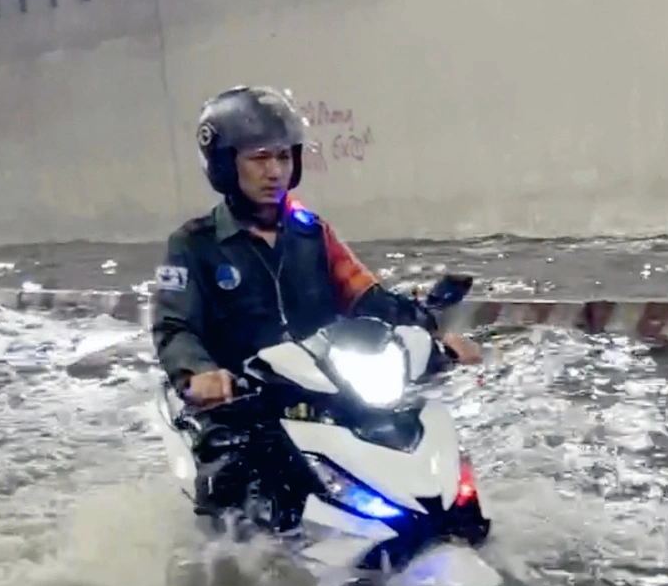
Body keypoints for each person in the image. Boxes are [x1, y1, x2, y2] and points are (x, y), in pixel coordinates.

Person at [153, 84, 480, 518]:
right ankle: (235, 574)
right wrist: (200, 373)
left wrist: (432, 333)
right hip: (247, 407)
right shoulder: (194, 244)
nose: (275, 171)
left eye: (284, 156)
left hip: (328, 390)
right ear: (226, 165)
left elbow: (368, 297)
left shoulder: (312, 234)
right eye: (260, 158)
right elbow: (174, 327)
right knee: (230, 494)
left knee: (415, 439)